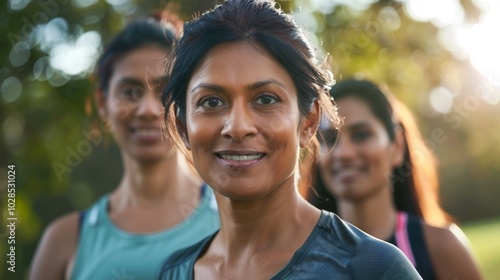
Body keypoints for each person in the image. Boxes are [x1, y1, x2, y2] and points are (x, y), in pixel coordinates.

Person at [157, 0, 421, 279]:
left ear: (308, 122)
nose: (237, 127)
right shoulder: (173, 272)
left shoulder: (373, 268)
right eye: (211, 102)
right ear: (183, 126)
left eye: (266, 99)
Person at [29, 11, 219, 280]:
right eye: (130, 92)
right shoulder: (65, 240)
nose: (148, 110)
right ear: (103, 104)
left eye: (164, 91)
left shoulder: (237, 218)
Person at [309, 78, 483, 280]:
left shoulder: (441, 247)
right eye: (330, 138)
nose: (343, 153)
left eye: (361, 135)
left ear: (397, 146)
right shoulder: (301, 257)